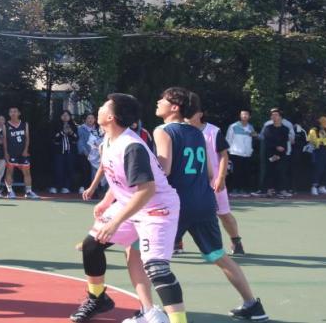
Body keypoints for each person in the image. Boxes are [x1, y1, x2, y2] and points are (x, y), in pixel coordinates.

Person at [154, 88, 268, 322]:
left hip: (177, 205)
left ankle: (151, 310)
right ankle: (253, 305)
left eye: (162, 100)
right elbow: (208, 172)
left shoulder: (163, 131)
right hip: (204, 203)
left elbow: (163, 169)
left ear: (174, 107)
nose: (158, 102)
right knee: (219, 255)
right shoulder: (198, 133)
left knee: (141, 254)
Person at [71, 93, 183, 323]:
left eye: (104, 106)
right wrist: (106, 201)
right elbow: (119, 177)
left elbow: (147, 189)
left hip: (156, 208)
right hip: (130, 204)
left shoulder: (132, 147)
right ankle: (98, 298)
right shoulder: (108, 140)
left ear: (111, 117)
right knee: (92, 245)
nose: (100, 108)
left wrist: (115, 222)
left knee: (157, 268)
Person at [189, 108, 246, 256]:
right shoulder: (181, 131)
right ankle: (176, 242)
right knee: (180, 211)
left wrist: (221, 177)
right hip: (188, 181)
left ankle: (236, 241)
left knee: (223, 213)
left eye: (191, 112)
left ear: (200, 114)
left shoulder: (213, 131)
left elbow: (224, 155)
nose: (186, 115)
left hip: (213, 181)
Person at [3, 107, 38, 199]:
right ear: (9, 114)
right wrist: (6, 153)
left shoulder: (24, 124)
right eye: (11, 112)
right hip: (11, 152)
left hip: (23, 152)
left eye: (15, 111)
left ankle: (28, 191)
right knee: (9, 171)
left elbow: (27, 138)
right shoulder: (5, 125)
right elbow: (5, 140)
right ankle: (10, 191)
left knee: (27, 171)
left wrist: (26, 150)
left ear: (19, 113)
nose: (13, 113)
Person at [258, 109, 291, 199]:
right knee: (269, 171)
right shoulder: (268, 128)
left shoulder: (285, 129)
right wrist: (276, 148)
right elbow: (267, 141)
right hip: (270, 153)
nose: (274, 116)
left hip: (281, 154)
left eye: (276, 115)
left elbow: (284, 141)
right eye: (272, 115)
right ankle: (268, 190)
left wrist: (280, 151)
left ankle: (281, 190)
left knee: (281, 171)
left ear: (280, 117)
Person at [225, 111, 255, 197]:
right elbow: (228, 139)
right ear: (240, 116)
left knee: (245, 172)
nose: (244, 116)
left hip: (247, 154)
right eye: (243, 114)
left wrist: (250, 150)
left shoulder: (251, 127)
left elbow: (252, 139)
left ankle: (244, 190)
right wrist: (228, 152)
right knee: (235, 172)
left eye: (246, 114)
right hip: (235, 153)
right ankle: (234, 190)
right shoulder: (233, 126)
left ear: (249, 116)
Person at [50, 110, 78, 194]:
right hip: (59, 152)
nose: (65, 117)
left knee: (69, 169)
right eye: (63, 115)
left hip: (70, 152)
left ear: (70, 117)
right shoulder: (55, 125)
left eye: (67, 115)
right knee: (58, 169)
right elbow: (54, 138)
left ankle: (66, 187)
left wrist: (71, 132)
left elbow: (76, 138)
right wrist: (62, 132)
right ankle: (55, 186)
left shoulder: (73, 126)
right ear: (60, 116)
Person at [306, 119, 326, 196]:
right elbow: (314, 141)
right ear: (320, 124)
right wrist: (323, 139)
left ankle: (322, 187)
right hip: (318, 152)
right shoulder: (313, 131)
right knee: (318, 169)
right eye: (325, 124)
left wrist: (324, 141)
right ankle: (314, 187)